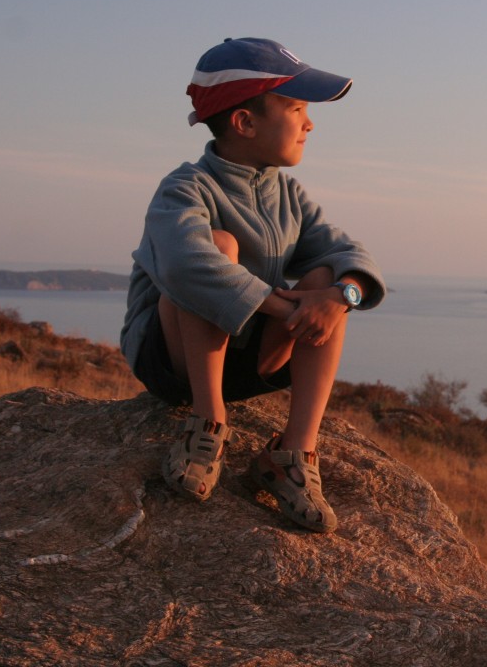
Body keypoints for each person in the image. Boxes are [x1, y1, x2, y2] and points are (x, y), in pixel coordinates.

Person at [121, 37, 385, 533]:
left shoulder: (287, 193)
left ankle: (293, 454)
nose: (310, 123)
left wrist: (340, 296)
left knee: (326, 277)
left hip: (251, 362)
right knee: (217, 247)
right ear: (244, 122)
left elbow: (348, 253)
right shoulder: (185, 187)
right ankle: (207, 423)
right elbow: (185, 266)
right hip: (176, 361)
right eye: (297, 108)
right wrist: (282, 307)